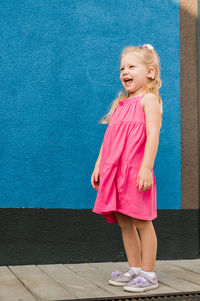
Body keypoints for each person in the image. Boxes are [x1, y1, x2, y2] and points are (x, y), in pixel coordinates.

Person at [91, 43, 163, 293]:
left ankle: (149, 273)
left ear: (150, 72)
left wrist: (146, 168)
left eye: (132, 66)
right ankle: (134, 269)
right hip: (115, 173)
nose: (125, 72)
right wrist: (99, 165)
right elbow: (109, 138)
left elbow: (153, 137)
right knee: (124, 220)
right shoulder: (120, 103)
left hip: (136, 172)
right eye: (122, 68)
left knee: (142, 221)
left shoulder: (149, 100)